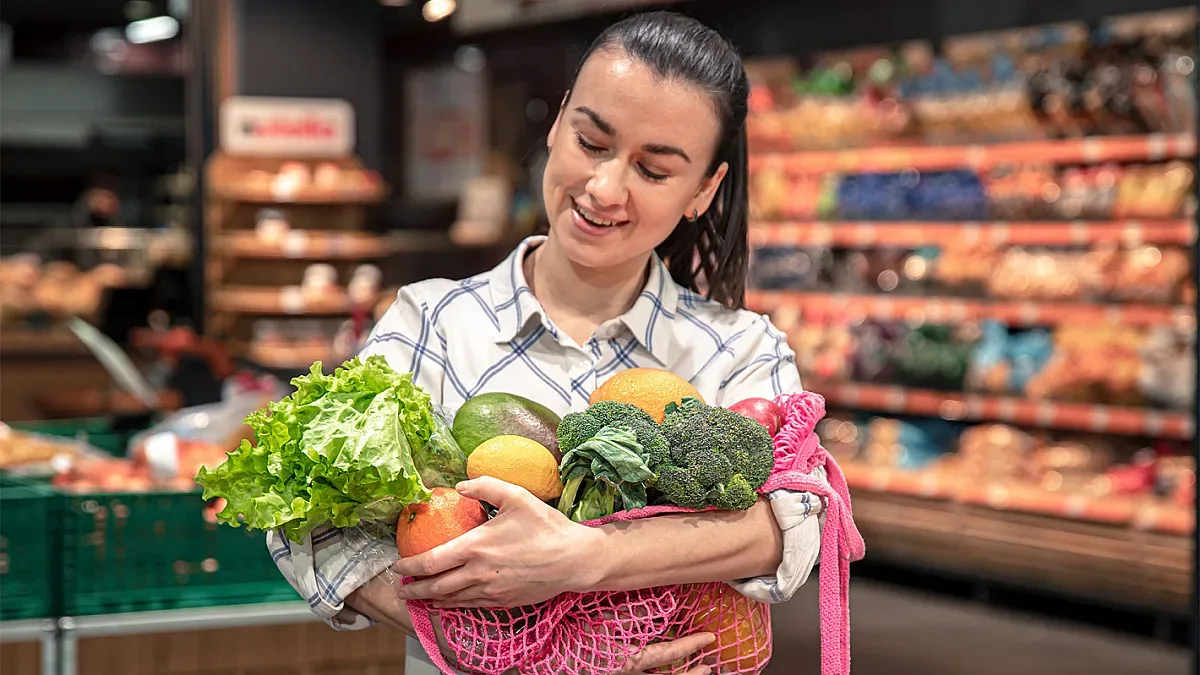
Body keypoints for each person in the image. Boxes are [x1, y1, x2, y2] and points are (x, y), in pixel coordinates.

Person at [270, 11, 828, 674]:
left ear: (703, 190)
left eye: (653, 172)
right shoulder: (433, 325)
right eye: (592, 142)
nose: (603, 188)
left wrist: (585, 558)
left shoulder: (738, 348)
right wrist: (515, 652)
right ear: (559, 120)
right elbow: (307, 520)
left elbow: (792, 519)